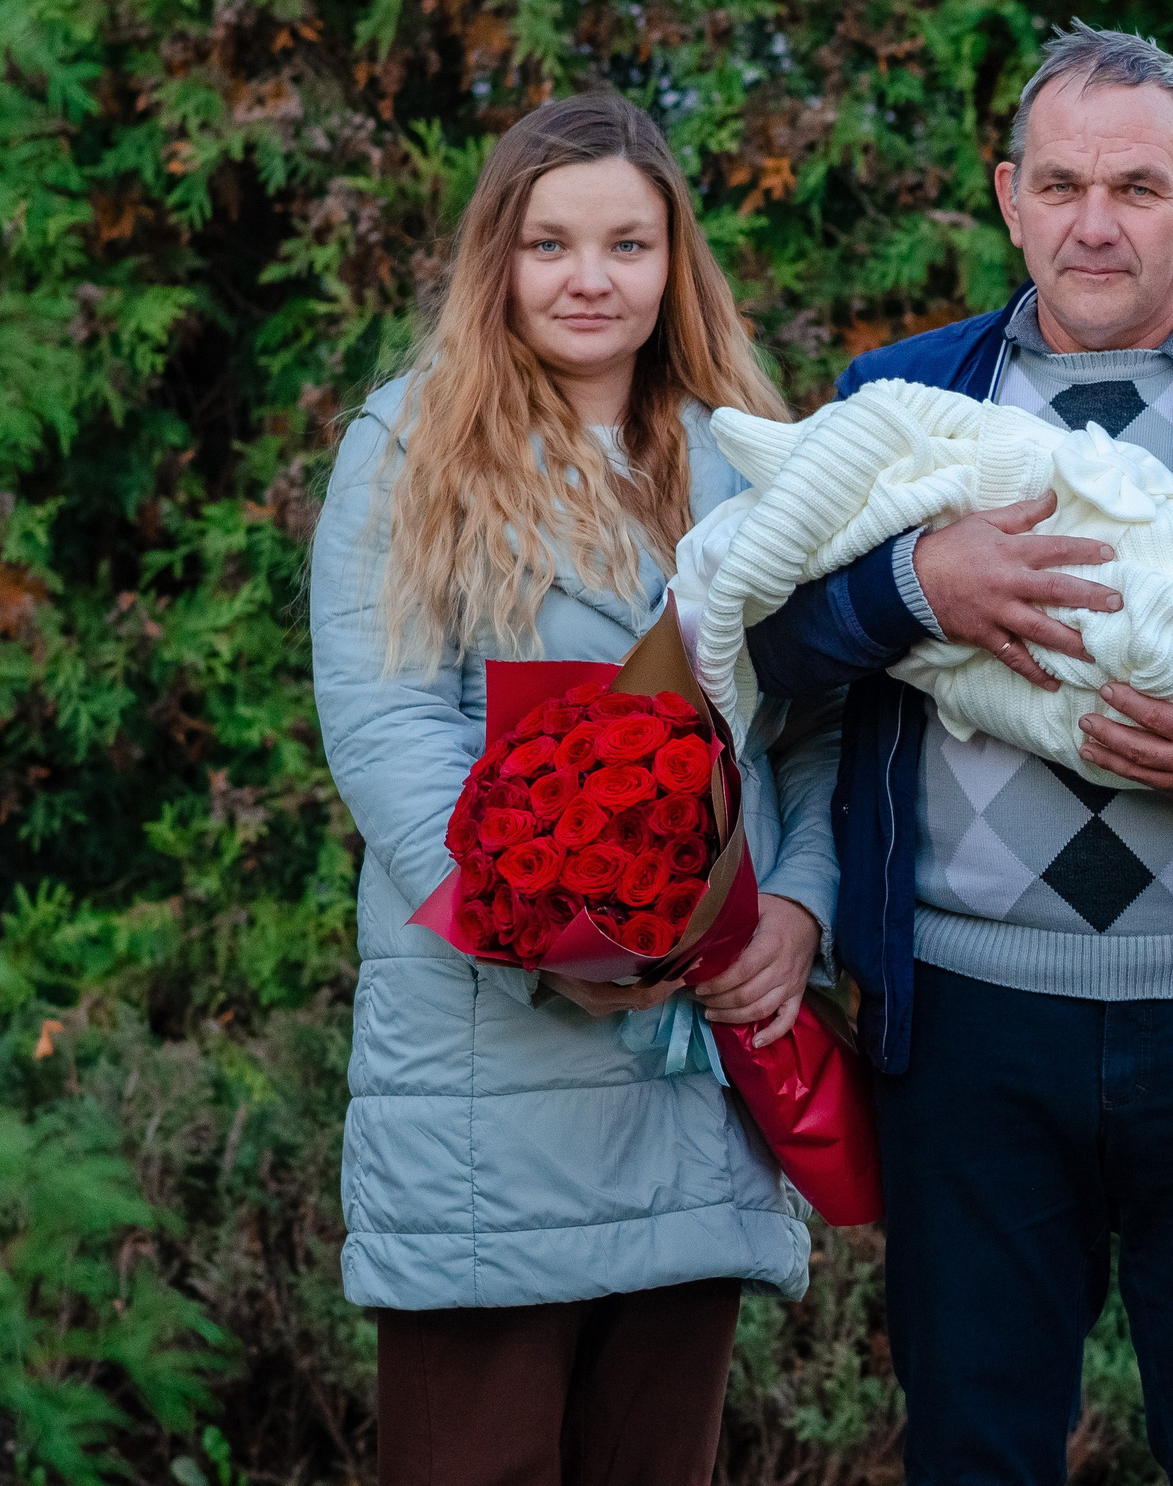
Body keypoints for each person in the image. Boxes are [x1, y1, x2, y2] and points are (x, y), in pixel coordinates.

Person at [743, 26, 1173, 1485]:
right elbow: (776, 643)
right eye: (1060, 184)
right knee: (975, 1447)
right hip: (970, 1022)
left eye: (1136, 185)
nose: (1095, 223)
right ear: (1008, 196)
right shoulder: (904, 393)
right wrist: (919, 590)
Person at [309, 91, 842, 1486]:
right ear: (500, 257)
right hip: (493, 1067)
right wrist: (541, 936)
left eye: (626, 243)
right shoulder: (409, 445)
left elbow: (813, 731)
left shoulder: (751, 459)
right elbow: (386, 724)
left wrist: (796, 909)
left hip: (696, 1075)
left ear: (676, 263)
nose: (590, 279)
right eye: (552, 244)